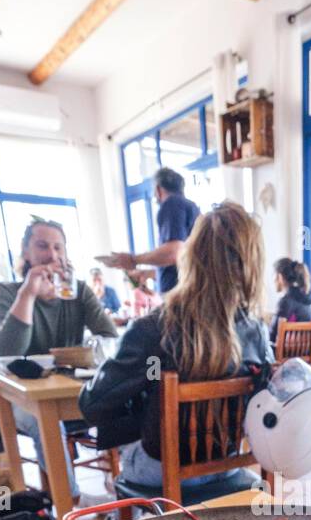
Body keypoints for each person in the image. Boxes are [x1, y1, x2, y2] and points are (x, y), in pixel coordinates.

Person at [79, 201, 274, 489]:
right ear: (252, 264)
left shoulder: (152, 329)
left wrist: (144, 405)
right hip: (228, 464)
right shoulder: (256, 331)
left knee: (117, 473)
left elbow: (92, 405)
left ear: (190, 256)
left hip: (163, 471)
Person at [0, 218, 118, 498]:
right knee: (41, 420)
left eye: (58, 247)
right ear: (26, 252)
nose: (53, 255)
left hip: (75, 392)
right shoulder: (6, 293)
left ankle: (126, 491)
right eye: (43, 246)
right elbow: (7, 352)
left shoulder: (78, 291)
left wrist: (87, 346)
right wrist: (29, 294)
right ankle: (72, 500)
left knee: (130, 398)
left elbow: (109, 336)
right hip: (24, 398)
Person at [99, 166, 200, 294]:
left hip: (180, 296)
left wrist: (133, 260)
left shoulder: (171, 204)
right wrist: (149, 273)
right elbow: (184, 263)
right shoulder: (192, 208)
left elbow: (174, 252)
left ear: (158, 189)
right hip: (190, 291)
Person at [269, 258, 311, 345]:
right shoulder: (306, 300)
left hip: (285, 356)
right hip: (304, 356)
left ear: (279, 277)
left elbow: (272, 337)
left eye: (273, 275)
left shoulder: (285, 302)